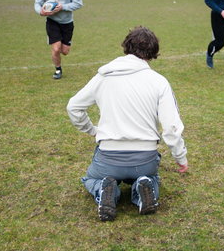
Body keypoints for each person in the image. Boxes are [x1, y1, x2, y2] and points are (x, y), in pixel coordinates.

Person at [67, 26, 189, 222]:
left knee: (91, 179)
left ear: (126, 47)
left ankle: (104, 189)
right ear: (152, 53)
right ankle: (143, 185)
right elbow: (171, 127)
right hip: (145, 160)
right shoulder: (159, 81)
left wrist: (92, 130)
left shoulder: (103, 77)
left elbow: (74, 107)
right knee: (153, 179)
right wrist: (180, 157)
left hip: (108, 158)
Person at [34, 0, 83, 79]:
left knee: (64, 51)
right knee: (56, 49)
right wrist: (41, 11)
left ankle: (63, 44)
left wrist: (63, 7)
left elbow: (79, 3)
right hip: (52, 21)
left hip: (67, 22)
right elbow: (37, 3)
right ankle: (58, 70)